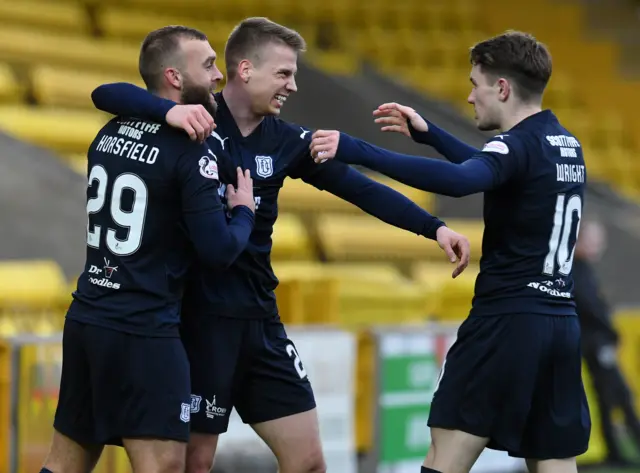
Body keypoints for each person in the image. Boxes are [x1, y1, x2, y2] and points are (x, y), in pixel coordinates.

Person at [89, 17, 472, 473]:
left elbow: (360, 189)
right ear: (245, 70)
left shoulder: (288, 141)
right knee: (193, 464)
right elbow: (108, 94)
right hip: (200, 323)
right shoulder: (196, 120)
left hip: (261, 323)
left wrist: (434, 228)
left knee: (309, 462)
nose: (292, 86)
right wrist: (167, 111)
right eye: (284, 74)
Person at [310, 30, 591, 473]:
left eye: (476, 84)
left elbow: (465, 180)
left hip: (507, 321)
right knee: (554, 461)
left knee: (447, 453)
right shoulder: (565, 144)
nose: (468, 96)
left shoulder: (517, 146)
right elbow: (499, 170)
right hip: (560, 324)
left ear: (502, 88)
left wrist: (356, 149)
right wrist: (430, 135)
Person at [42, 26, 256, 473]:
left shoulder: (108, 132)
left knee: (64, 464)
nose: (219, 76)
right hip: (144, 330)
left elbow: (107, 93)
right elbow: (217, 252)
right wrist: (243, 214)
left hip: (87, 319)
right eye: (209, 65)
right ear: (175, 78)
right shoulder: (190, 150)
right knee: (161, 467)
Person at [574, 220, 640, 468]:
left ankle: (616, 449)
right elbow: (592, 309)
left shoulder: (584, 270)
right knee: (619, 395)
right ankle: (621, 448)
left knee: (611, 397)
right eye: (593, 239)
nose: (599, 245)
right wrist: (610, 332)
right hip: (596, 344)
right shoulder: (578, 271)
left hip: (596, 343)